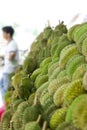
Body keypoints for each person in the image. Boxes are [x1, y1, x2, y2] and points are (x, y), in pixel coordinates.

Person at [0, 26, 19, 100]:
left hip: (9, 70)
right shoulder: (9, 43)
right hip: (7, 70)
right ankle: (5, 104)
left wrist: (8, 58)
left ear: (8, 34)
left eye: (3, 33)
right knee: (2, 85)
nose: (2, 34)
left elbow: (12, 54)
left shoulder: (12, 43)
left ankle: (6, 106)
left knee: (6, 89)